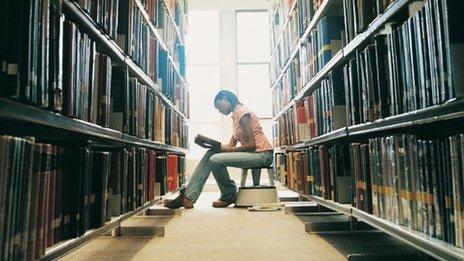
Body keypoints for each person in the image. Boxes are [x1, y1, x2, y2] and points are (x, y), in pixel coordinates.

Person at [164, 90, 274, 209]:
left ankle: (228, 194)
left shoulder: (242, 113)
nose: (219, 111)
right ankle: (188, 196)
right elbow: (230, 146)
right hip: (254, 154)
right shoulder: (236, 117)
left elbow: (251, 145)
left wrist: (227, 151)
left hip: (262, 155)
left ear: (226, 99)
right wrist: (212, 145)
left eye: (219, 106)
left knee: (215, 159)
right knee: (211, 153)